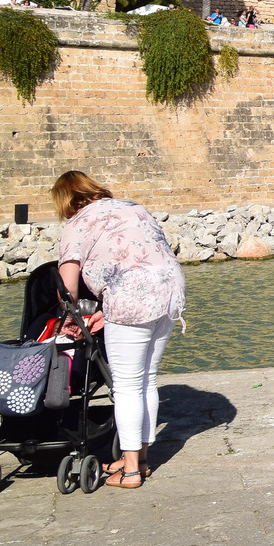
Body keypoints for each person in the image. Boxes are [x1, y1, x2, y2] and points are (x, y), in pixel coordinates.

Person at [54, 171, 186, 488]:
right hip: (170, 290)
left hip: (132, 294)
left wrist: (70, 316)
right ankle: (139, 460)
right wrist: (106, 312)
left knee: (126, 386)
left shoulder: (77, 222)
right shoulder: (132, 207)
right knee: (146, 379)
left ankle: (129, 472)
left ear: (66, 201)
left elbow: (66, 285)